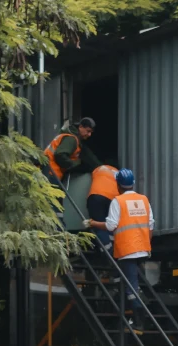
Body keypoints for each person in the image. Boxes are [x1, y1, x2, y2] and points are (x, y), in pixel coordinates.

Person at [90, 169, 154, 328]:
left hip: (126, 250)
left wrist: (93, 223)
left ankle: (139, 321)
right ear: (132, 184)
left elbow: (111, 226)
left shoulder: (117, 202)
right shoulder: (144, 200)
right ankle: (138, 309)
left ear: (118, 185)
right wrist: (147, 244)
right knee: (133, 281)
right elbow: (151, 224)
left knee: (131, 284)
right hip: (143, 249)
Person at [42, 117, 99, 184]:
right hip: (51, 173)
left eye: (91, 132)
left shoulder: (68, 136)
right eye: (88, 131)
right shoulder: (71, 139)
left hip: (46, 171)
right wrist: (75, 165)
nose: (89, 134)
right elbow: (60, 155)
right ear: (80, 127)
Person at [87, 161, 119, 249]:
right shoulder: (117, 172)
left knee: (98, 225)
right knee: (110, 224)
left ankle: (107, 251)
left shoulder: (97, 169)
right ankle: (114, 250)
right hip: (113, 198)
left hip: (96, 196)